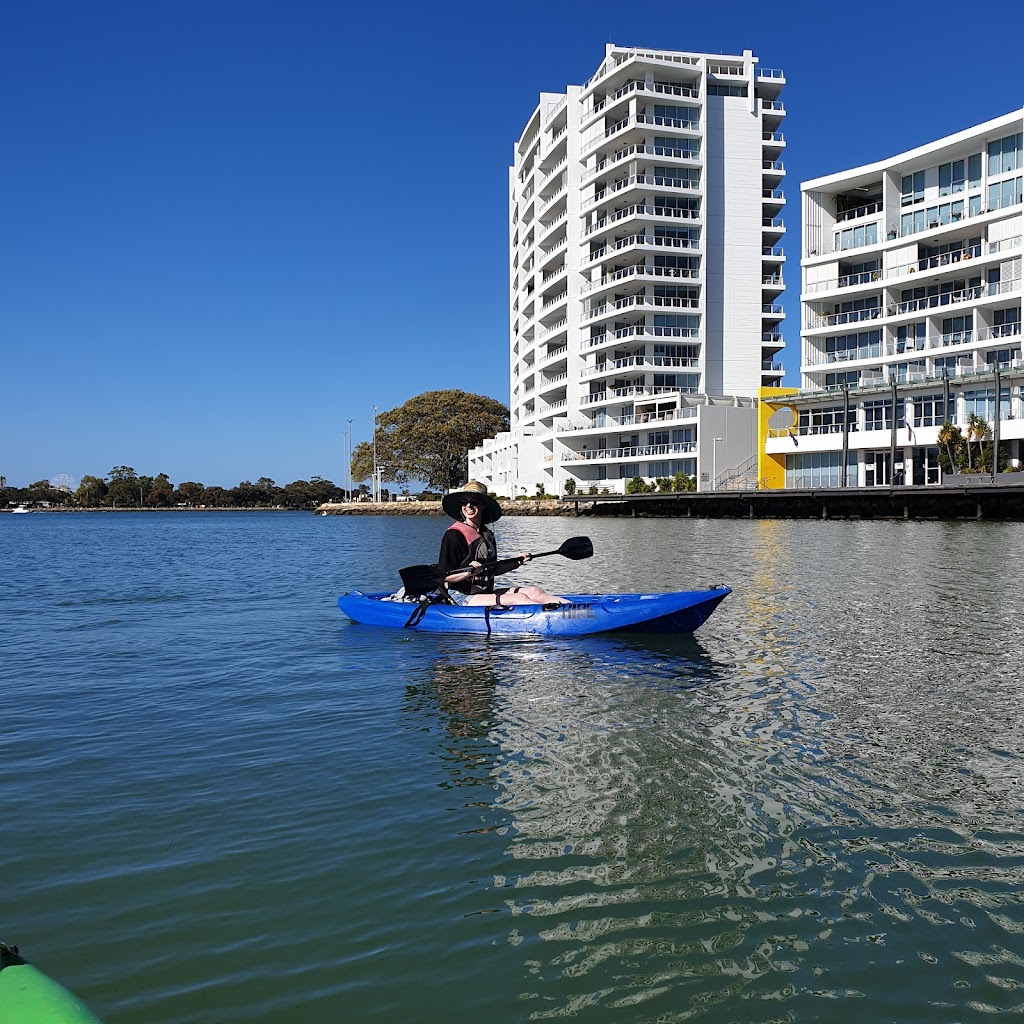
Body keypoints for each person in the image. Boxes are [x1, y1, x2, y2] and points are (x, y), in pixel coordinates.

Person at [438, 481, 565, 607]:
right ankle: (557, 617)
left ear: (483, 505)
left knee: (534, 591)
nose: (469, 506)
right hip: (462, 596)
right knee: (519, 598)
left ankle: (573, 609)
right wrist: (468, 572)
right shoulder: (454, 535)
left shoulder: (487, 535)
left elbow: (493, 570)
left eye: (474, 502)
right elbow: (444, 576)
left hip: (484, 593)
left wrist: (517, 562)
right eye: (464, 502)